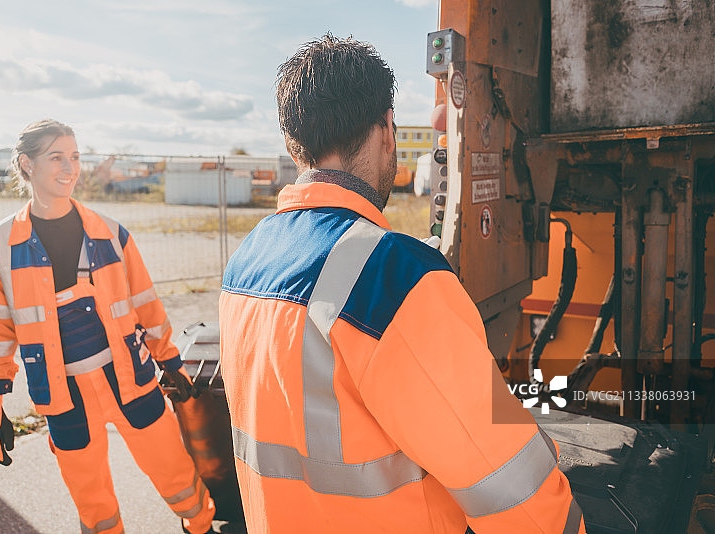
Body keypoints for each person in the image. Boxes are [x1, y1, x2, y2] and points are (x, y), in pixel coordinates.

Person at [218, 35, 585, 533]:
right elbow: (505, 479)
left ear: (292, 142)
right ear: (387, 130)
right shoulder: (396, 278)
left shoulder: (246, 263)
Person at [0, 119, 215, 534]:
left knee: (174, 471)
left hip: (131, 378)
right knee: (91, 497)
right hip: (62, 394)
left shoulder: (110, 233)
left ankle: (200, 525)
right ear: (26, 165)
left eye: (75, 157)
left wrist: (169, 359)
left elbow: (145, 303)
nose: (70, 168)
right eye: (56, 158)